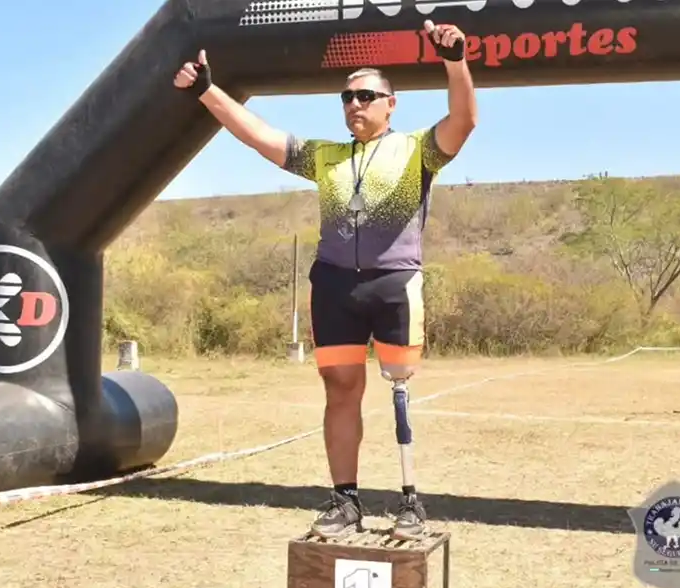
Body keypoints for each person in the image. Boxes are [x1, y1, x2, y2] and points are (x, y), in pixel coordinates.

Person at [172, 21, 478, 541]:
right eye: (346, 97)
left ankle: (410, 502)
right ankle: (346, 501)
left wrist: (455, 60)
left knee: (399, 387)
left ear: (390, 104)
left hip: (394, 283)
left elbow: (464, 120)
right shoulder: (325, 157)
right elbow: (257, 136)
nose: (355, 104)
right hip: (335, 286)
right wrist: (207, 90)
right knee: (340, 391)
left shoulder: (416, 150)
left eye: (366, 95)